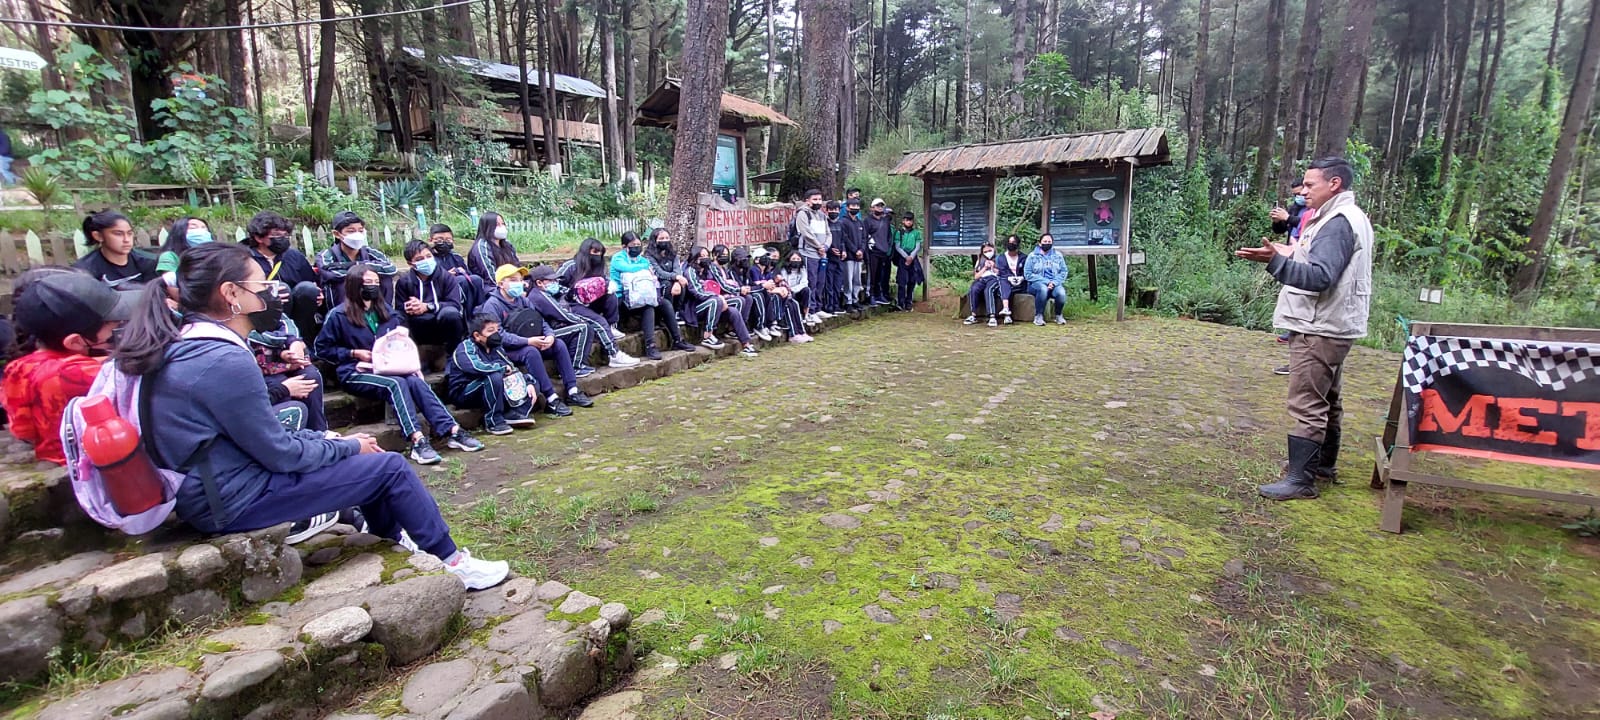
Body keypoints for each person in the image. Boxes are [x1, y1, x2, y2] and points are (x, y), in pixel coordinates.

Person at [113, 243, 508, 589]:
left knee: (361, 459)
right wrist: (346, 444)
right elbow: (278, 453)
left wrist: (331, 442)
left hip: (219, 483)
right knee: (389, 468)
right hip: (231, 499)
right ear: (231, 294)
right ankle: (452, 561)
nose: (272, 292)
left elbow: (256, 437)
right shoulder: (222, 359)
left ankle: (390, 542)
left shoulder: (190, 344)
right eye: (260, 286)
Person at [1235, 157, 1373, 501]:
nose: (1303, 191)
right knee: (1328, 397)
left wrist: (1276, 262)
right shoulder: (1342, 218)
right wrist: (1291, 251)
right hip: (1333, 323)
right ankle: (1321, 465)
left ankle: (1301, 480)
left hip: (1321, 325)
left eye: (1311, 185)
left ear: (1335, 184)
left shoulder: (1338, 222)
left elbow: (1320, 277)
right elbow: (1319, 262)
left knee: (1307, 401)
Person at [313, 265, 484, 465]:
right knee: (395, 384)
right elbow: (322, 349)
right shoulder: (338, 315)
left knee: (415, 381)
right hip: (355, 370)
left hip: (390, 366)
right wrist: (352, 353)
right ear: (354, 285)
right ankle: (417, 440)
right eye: (367, 283)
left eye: (376, 283)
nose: (373, 287)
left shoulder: (387, 312)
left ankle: (452, 430)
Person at [1, 271, 132, 464]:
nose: (120, 328)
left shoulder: (19, 367)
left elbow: (23, 431)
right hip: (88, 469)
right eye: (113, 326)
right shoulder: (77, 374)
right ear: (76, 342)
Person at [477, 264, 595, 417]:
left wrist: (550, 335)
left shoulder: (522, 300)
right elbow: (498, 336)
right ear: (500, 284)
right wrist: (526, 341)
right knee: (530, 352)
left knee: (558, 344)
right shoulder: (492, 305)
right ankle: (551, 399)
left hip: (532, 339)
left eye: (519, 280)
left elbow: (540, 320)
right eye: (512, 280)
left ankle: (573, 390)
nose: (518, 283)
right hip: (507, 351)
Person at [526, 264, 639, 376]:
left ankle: (580, 365)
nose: (555, 283)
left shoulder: (545, 291)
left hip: (552, 327)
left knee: (587, 326)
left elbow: (566, 292)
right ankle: (576, 366)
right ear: (539, 283)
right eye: (551, 281)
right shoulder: (539, 296)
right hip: (545, 335)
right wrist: (579, 320)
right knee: (584, 327)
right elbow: (561, 314)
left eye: (556, 280)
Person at [446, 314, 537, 436]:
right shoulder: (465, 348)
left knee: (530, 381)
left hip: (494, 389)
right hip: (465, 392)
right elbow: (476, 367)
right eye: (490, 330)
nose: (496, 334)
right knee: (493, 376)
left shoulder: (496, 348)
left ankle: (514, 415)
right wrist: (501, 368)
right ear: (477, 335)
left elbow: (512, 369)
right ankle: (493, 421)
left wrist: (528, 382)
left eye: (497, 330)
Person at [610, 231, 695, 359]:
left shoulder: (641, 259)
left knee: (664, 304)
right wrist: (642, 267)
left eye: (638, 244)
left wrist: (641, 266)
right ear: (624, 246)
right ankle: (650, 346)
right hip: (623, 298)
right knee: (648, 307)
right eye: (633, 245)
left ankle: (678, 340)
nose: (636, 247)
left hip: (642, 295)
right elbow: (627, 268)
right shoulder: (618, 258)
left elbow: (646, 267)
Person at [243, 211, 322, 336]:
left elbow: (312, 281)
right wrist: (267, 296)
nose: (283, 239)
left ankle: (305, 339)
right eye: (277, 236)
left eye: (285, 235)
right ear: (259, 238)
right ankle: (276, 340)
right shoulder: (243, 258)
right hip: (261, 312)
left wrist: (318, 294)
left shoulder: (294, 256)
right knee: (282, 289)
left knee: (308, 289)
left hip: (298, 313)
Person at [684, 247, 760, 357]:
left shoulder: (709, 270)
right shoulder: (690, 272)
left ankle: (746, 344)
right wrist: (718, 297)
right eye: (702, 256)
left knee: (733, 311)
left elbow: (720, 285)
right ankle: (707, 335)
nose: (705, 258)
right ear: (695, 258)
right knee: (716, 300)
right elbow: (697, 292)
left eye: (706, 256)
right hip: (695, 308)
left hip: (715, 303)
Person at [315, 211, 397, 309]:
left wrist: (359, 265)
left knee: (385, 280)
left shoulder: (370, 252)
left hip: (371, 298)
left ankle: (384, 314)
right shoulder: (326, 255)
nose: (357, 234)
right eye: (351, 231)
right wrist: (366, 270)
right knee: (343, 283)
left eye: (360, 230)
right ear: (337, 234)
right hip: (342, 306)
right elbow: (331, 273)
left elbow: (391, 268)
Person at [395, 240, 467, 350]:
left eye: (428, 256)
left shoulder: (446, 277)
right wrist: (411, 307)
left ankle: (453, 353)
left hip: (441, 323)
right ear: (410, 263)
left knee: (451, 314)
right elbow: (399, 309)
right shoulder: (404, 282)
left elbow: (454, 304)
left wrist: (427, 306)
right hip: (418, 327)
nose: (426, 261)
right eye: (419, 259)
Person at [558, 238, 624, 337]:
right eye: (595, 252)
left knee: (612, 296)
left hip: (593, 301)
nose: (597, 255)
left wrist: (607, 286)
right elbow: (555, 284)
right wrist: (571, 293)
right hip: (573, 304)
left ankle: (611, 326)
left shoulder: (600, 267)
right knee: (599, 320)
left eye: (600, 253)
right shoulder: (570, 266)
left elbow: (604, 281)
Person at [75, 211, 158, 288]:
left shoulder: (148, 262)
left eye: (129, 233)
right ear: (98, 236)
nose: (126, 239)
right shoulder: (85, 271)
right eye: (118, 234)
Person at [428, 223, 485, 314]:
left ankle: (481, 312)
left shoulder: (456, 257)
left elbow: (469, 275)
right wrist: (446, 276)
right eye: (440, 240)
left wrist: (462, 272)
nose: (444, 243)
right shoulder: (428, 259)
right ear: (430, 240)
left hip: (464, 289)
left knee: (476, 279)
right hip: (441, 291)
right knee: (461, 280)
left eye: (448, 240)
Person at [644, 228, 693, 325]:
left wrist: (677, 281)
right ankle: (665, 316)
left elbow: (677, 269)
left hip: (673, 280)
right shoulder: (648, 256)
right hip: (657, 282)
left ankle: (676, 313)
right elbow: (658, 272)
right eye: (661, 238)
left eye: (667, 238)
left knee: (683, 283)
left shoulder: (673, 254)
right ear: (655, 240)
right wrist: (676, 277)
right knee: (667, 285)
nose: (664, 241)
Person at [793, 189, 830, 316]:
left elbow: (828, 233)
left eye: (819, 199)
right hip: (808, 253)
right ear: (807, 200)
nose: (818, 202)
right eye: (815, 199)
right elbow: (806, 233)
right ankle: (810, 310)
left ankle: (818, 308)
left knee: (821, 282)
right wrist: (818, 246)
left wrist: (825, 246)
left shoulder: (822, 215)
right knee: (811, 282)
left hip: (822, 254)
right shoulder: (803, 214)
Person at [1025, 234, 1069, 325]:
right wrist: (1046, 282)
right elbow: (1028, 274)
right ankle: (1038, 316)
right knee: (1043, 289)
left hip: (1054, 283)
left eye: (1049, 242)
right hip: (1036, 283)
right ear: (1040, 243)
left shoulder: (1058, 255)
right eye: (1045, 241)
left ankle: (1058, 315)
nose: (1047, 243)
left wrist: (1054, 282)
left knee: (1061, 293)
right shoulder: (1032, 256)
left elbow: (1063, 271)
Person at [467, 212, 520, 285]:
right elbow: (490, 275)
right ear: (488, 227)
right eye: (498, 225)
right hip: (491, 287)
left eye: (503, 224)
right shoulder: (482, 246)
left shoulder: (507, 245)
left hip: (511, 284)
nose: (502, 227)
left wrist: (520, 282)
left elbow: (516, 266)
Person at [776, 251, 815, 342]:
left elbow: (804, 283)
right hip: (786, 292)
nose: (796, 261)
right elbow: (785, 283)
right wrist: (790, 290)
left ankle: (802, 331)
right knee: (791, 304)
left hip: (795, 291)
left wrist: (793, 289)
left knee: (806, 291)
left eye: (798, 259)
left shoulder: (802, 269)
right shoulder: (783, 270)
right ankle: (793, 334)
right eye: (793, 259)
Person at [864, 199, 895, 306]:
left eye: (881, 206)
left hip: (883, 251)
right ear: (872, 208)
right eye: (877, 206)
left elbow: (888, 236)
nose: (880, 208)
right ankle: (870, 295)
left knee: (879, 275)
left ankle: (878, 294)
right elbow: (865, 236)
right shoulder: (867, 220)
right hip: (872, 251)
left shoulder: (885, 220)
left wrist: (886, 247)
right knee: (872, 275)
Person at [891, 211, 924, 311]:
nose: (908, 222)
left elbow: (918, 246)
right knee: (902, 281)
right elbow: (897, 246)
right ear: (903, 221)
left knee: (912, 281)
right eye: (906, 220)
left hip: (913, 258)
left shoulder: (916, 233)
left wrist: (911, 257)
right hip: (902, 258)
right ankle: (900, 302)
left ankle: (909, 301)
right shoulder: (899, 233)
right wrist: (906, 257)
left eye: (910, 220)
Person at [965, 242, 1003, 327]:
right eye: (985, 251)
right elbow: (976, 276)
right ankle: (973, 315)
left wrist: (993, 267)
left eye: (990, 250)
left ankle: (992, 316)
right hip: (982, 279)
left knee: (988, 290)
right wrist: (985, 267)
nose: (988, 253)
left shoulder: (999, 259)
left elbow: (1002, 273)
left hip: (994, 278)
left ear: (994, 249)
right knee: (974, 288)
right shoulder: (980, 260)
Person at [840, 197, 867, 312]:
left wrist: (861, 250)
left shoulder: (860, 222)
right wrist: (855, 250)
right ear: (847, 208)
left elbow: (864, 238)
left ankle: (855, 300)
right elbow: (845, 238)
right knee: (848, 280)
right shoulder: (843, 221)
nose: (855, 209)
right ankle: (848, 301)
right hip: (849, 256)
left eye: (857, 207)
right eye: (853, 207)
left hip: (859, 256)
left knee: (857, 280)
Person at [823, 201, 849, 315]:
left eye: (836, 210)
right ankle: (829, 306)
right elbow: (823, 240)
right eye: (831, 210)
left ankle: (836, 305)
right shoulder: (825, 223)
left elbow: (844, 239)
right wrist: (830, 249)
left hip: (840, 259)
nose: (834, 212)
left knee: (838, 283)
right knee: (829, 283)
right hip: (828, 258)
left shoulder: (841, 224)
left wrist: (844, 251)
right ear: (827, 211)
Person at [995, 235, 1026, 325]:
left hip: (1021, 283)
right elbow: (1001, 272)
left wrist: (1021, 277)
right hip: (1007, 283)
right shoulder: (1000, 258)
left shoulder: (1024, 257)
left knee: (1004, 286)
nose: (1011, 244)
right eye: (1009, 242)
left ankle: (1006, 312)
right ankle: (1006, 312)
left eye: (1014, 242)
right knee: (1003, 282)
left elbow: (1027, 271)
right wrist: (1009, 277)